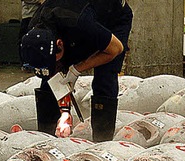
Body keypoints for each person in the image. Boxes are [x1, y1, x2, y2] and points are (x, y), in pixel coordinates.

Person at [20, 0, 133, 142]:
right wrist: (65, 111)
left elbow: (115, 50)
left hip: (112, 20)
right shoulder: (35, 30)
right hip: (78, 23)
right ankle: (46, 136)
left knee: (104, 77)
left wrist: (75, 70)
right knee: (48, 79)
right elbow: (53, 74)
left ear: (59, 44)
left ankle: (102, 140)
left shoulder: (81, 24)